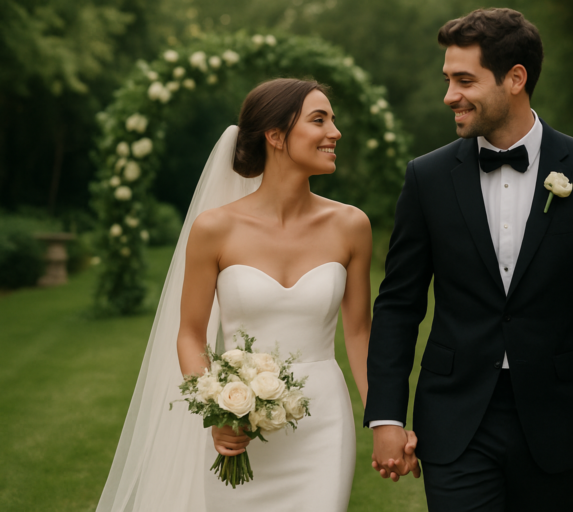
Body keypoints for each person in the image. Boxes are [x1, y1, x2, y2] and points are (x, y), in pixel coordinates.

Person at [365, 8, 573, 512]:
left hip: (558, 417)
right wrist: (386, 415)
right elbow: (398, 305)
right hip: (454, 417)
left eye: (464, 80)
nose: (449, 95)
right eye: (448, 80)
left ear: (515, 79)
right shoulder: (426, 178)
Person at [97, 78, 415, 512]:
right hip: (238, 428)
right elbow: (190, 334)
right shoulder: (214, 229)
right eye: (319, 120)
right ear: (276, 136)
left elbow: (359, 334)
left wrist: (384, 421)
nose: (335, 132)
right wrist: (217, 410)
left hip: (322, 424)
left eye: (333, 120)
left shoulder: (351, 225)